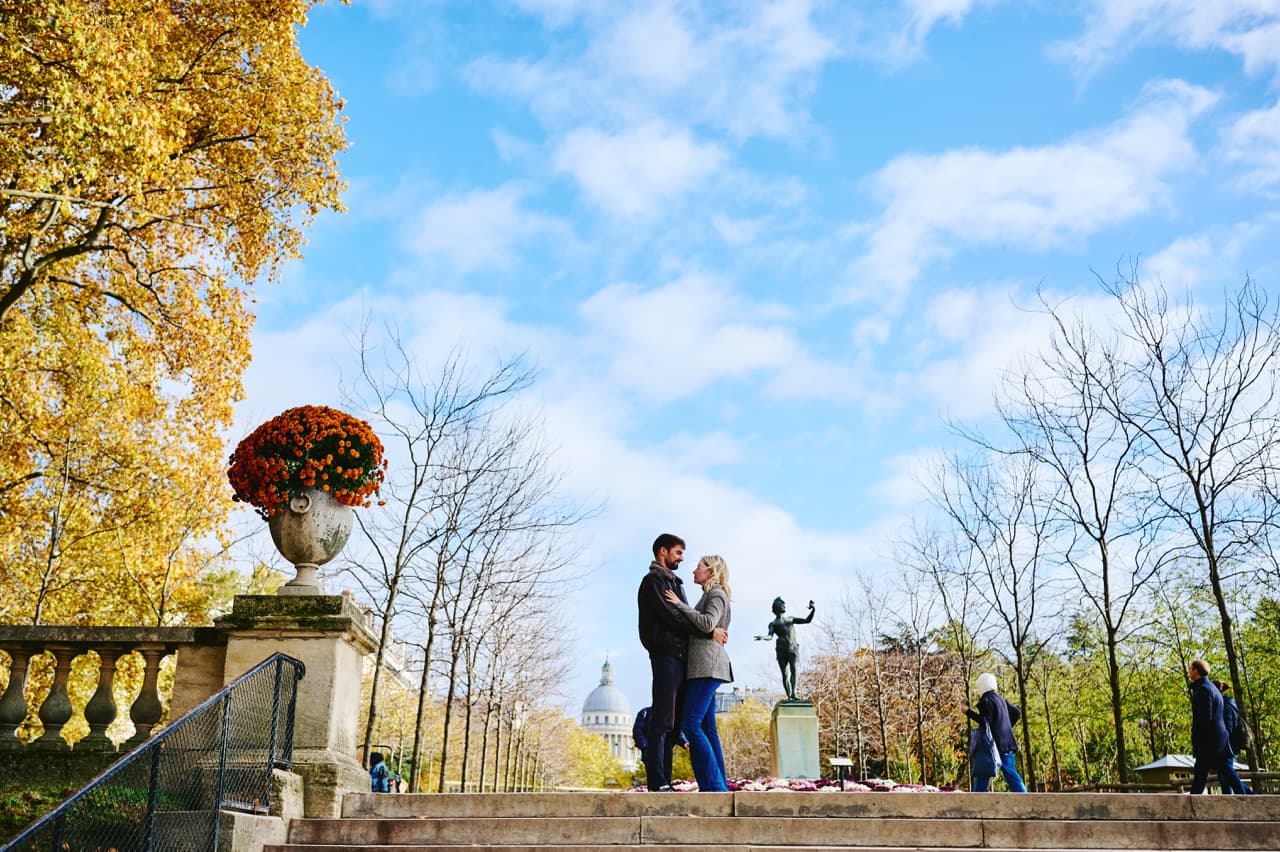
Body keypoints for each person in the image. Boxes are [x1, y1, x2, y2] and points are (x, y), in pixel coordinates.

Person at [663, 554, 734, 792]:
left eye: (699, 567)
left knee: (691, 725)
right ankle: (717, 784)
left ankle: (715, 787)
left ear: (711, 572)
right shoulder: (710, 595)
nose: (694, 571)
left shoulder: (716, 595)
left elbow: (706, 623)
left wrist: (679, 605)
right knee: (707, 729)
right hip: (704, 666)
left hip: (707, 666)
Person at [963, 672, 1027, 792]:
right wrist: (1006, 726)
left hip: (992, 744)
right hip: (1007, 741)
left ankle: (976, 800)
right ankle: (1025, 797)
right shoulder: (1001, 699)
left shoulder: (985, 701)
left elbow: (985, 722)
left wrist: (968, 712)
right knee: (1011, 773)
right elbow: (1016, 712)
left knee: (984, 771)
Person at [1188, 661, 1245, 794]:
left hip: (1210, 740)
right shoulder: (1211, 688)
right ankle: (1245, 800)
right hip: (1218, 739)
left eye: (1190, 669)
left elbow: (1204, 718)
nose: (1189, 671)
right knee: (1225, 772)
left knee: (1202, 774)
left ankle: (1190, 809)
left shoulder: (1203, 689)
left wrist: (1198, 738)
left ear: (1196, 671)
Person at [754, 597, 814, 701]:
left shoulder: (790, 619)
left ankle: (794, 693)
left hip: (792, 648)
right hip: (781, 650)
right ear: (776, 608)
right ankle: (789, 696)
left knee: (794, 670)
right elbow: (770, 636)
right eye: (782, 604)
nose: (784, 606)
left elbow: (807, 620)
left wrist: (813, 610)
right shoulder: (773, 624)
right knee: (785, 674)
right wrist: (763, 637)